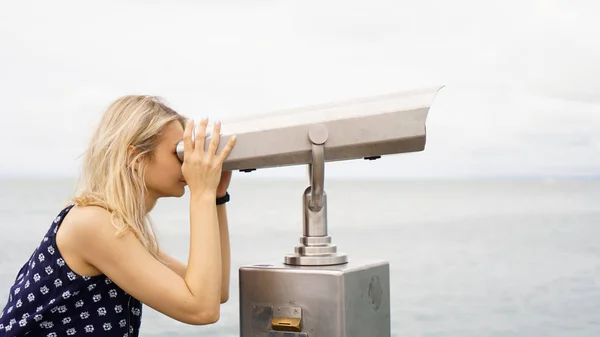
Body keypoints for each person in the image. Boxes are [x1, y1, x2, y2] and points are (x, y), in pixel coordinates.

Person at [0, 95, 237, 336]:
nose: (187, 164)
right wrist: (201, 194)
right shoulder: (93, 224)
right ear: (135, 157)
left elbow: (216, 293)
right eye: (178, 154)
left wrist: (217, 196)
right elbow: (201, 310)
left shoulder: (121, 229)